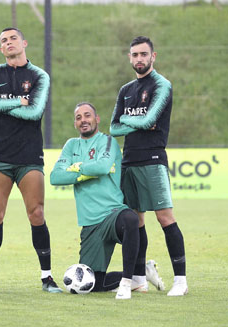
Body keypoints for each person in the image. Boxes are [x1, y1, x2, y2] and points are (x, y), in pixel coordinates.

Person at [0, 27, 61, 294]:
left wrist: (6, 103)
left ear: (24, 43)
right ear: (1, 49)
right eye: (3, 41)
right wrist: (18, 102)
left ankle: (47, 278)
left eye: (12, 38)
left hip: (29, 155)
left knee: (37, 213)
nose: (8, 43)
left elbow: (34, 113)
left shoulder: (38, 76)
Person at [110, 36, 187, 296]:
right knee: (136, 222)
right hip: (128, 160)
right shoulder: (125, 90)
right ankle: (139, 278)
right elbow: (112, 127)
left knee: (165, 218)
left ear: (153, 56)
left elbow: (151, 119)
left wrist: (130, 121)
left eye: (144, 54)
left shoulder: (162, 85)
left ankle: (181, 281)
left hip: (153, 159)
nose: (139, 59)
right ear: (129, 58)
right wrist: (139, 121)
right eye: (135, 55)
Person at [50, 102, 142, 300]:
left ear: (97, 119)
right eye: (78, 117)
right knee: (94, 284)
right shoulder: (71, 145)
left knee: (131, 220)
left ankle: (127, 282)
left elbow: (102, 167)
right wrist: (85, 174)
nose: (83, 120)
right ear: (75, 123)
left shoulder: (107, 141)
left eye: (87, 115)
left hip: (112, 213)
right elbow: (55, 177)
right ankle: (142, 274)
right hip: (90, 223)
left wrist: (77, 168)